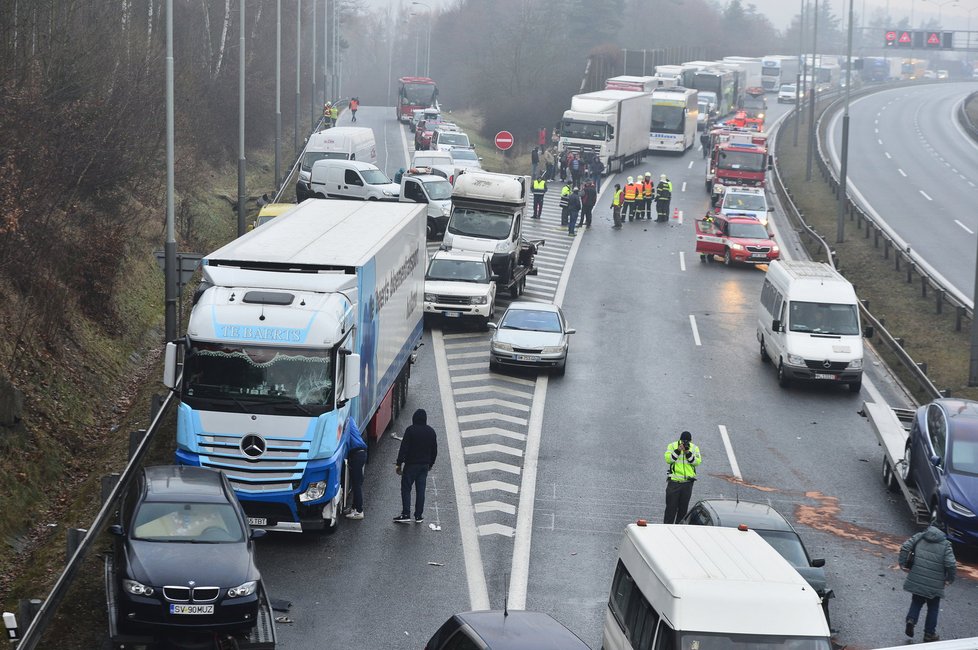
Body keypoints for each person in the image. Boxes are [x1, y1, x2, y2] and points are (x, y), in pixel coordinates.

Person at [899, 524, 956, 641]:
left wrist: (902, 563)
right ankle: (929, 634)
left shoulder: (920, 537)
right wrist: (950, 579)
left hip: (918, 577)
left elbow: (905, 547)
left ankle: (911, 620)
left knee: (916, 601)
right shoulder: (946, 545)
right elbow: (950, 564)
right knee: (933, 607)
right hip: (935, 583)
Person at [394, 409, 438, 524]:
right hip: (424, 466)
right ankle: (418, 515)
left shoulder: (410, 430)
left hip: (411, 465)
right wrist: (431, 464)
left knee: (406, 489)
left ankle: (406, 513)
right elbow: (434, 451)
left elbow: (404, 448)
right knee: (421, 490)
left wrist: (399, 464)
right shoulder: (431, 432)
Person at [663, 431, 701, 524]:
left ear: (691, 441)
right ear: (679, 440)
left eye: (687, 441)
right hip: (674, 483)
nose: (685, 443)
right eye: (683, 441)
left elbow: (697, 462)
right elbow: (668, 460)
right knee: (670, 509)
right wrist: (678, 450)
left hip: (687, 484)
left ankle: (679, 530)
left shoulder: (694, 448)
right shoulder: (672, 446)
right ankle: (667, 529)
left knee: (683, 511)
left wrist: (687, 452)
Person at [343, 420, 368, 519]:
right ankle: (354, 508)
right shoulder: (351, 421)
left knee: (356, 484)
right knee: (356, 482)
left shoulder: (345, 424)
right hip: (362, 453)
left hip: (356, 455)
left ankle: (359, 511)